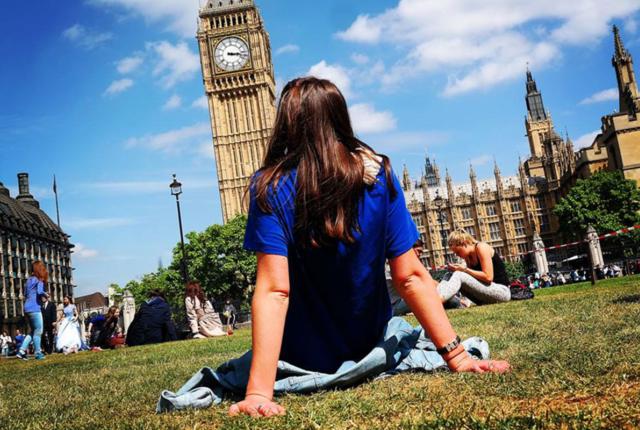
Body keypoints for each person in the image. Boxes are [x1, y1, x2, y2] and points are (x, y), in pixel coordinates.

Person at [230, 77, 510, 418]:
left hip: (303, 355)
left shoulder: (269, 186)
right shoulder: (380, 175)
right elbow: (410, 277)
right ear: (341, 120)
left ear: (287, 124)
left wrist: (259, 391)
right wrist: (458, 356)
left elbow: (275, 290)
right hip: (370, 345)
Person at [437, 230, 511, 306]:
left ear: (464, 243)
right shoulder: (467, 257)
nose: (457, 255)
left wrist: (464, 270)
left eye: (458, 252)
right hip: (484, 295)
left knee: (458, 275)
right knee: (449, 275)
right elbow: (472, 279)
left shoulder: (481, 247)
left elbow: (488, 277)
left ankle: (436, 302)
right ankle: (438, 298)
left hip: (502, 291)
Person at [16, 261, 49, 360]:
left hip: (27, 308)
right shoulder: (39, 280)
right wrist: (46, 294)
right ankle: (38, 353)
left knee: (32, 331)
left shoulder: (29, 280)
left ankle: (21, 351)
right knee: (38, 331)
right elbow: (39, 292)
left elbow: (26, 294)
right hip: (35, 308)